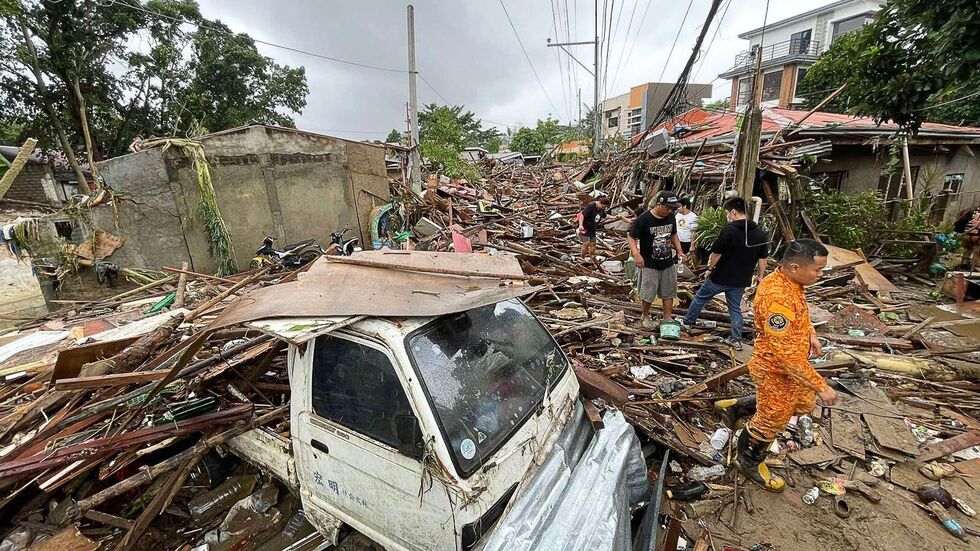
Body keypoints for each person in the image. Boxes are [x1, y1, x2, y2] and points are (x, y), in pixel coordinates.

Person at [736, 239, 837, 492]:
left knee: (801, 404)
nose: (820, 275)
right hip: (774, 368)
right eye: (818, 270)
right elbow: (786, 356)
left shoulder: (791, 283)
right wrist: (820, 386)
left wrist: (811, 333)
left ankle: (736, 408)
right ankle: (748, 459)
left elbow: (801, 314)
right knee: (773, 418)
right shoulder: (777, 298)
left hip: (788, 368)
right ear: (794, 267)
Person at [681, 196, 768, 350]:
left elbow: (716, 254)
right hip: (741, 280)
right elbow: (763, 259)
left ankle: (687, 323)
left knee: (700, 298)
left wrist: (709, 269)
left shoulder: (729, 231)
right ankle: (735, 340)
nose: (728, 215)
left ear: (734, 212)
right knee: (735, 308)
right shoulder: (759, 234)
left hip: (720, 277)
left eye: (728, 212)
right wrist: (761, 276)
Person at [629, 191, 686, 330]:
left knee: (669, 291)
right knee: (648, 292)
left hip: (667, 261)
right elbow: (631, 236)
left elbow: (673, 234)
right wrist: (636, 254)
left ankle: (667, 317)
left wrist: (679, 250)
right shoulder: (644, 219)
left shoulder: (671, 217)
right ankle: (645, 315)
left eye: (672, 208)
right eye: (667, 207)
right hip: (649, 262)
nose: (669, 210)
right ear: (659, 204)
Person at [953, 205, 980, 270]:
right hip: (978, 238)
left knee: (967, 253)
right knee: (977, 258)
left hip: (967, 237)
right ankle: (975, 268)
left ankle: (964, 265)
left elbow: (959, 223)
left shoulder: (971, 210)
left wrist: (960, 231)